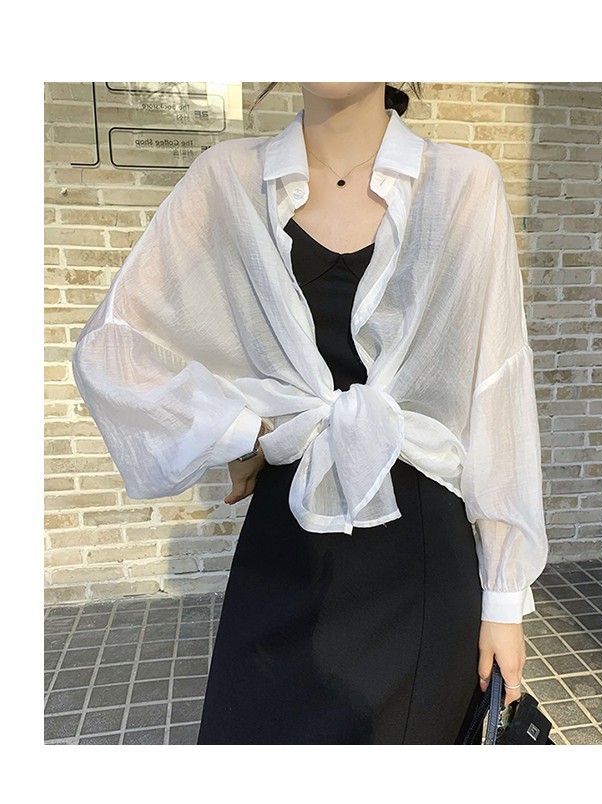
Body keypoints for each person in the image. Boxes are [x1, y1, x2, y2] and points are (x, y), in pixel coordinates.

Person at [71, 82, 549, 744]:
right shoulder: (228, 179)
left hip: (421, 556)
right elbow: (113, 346)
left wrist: (503, 601)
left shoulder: (463, 184)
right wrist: (242, 431)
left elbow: (496, 392)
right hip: (285, 541)